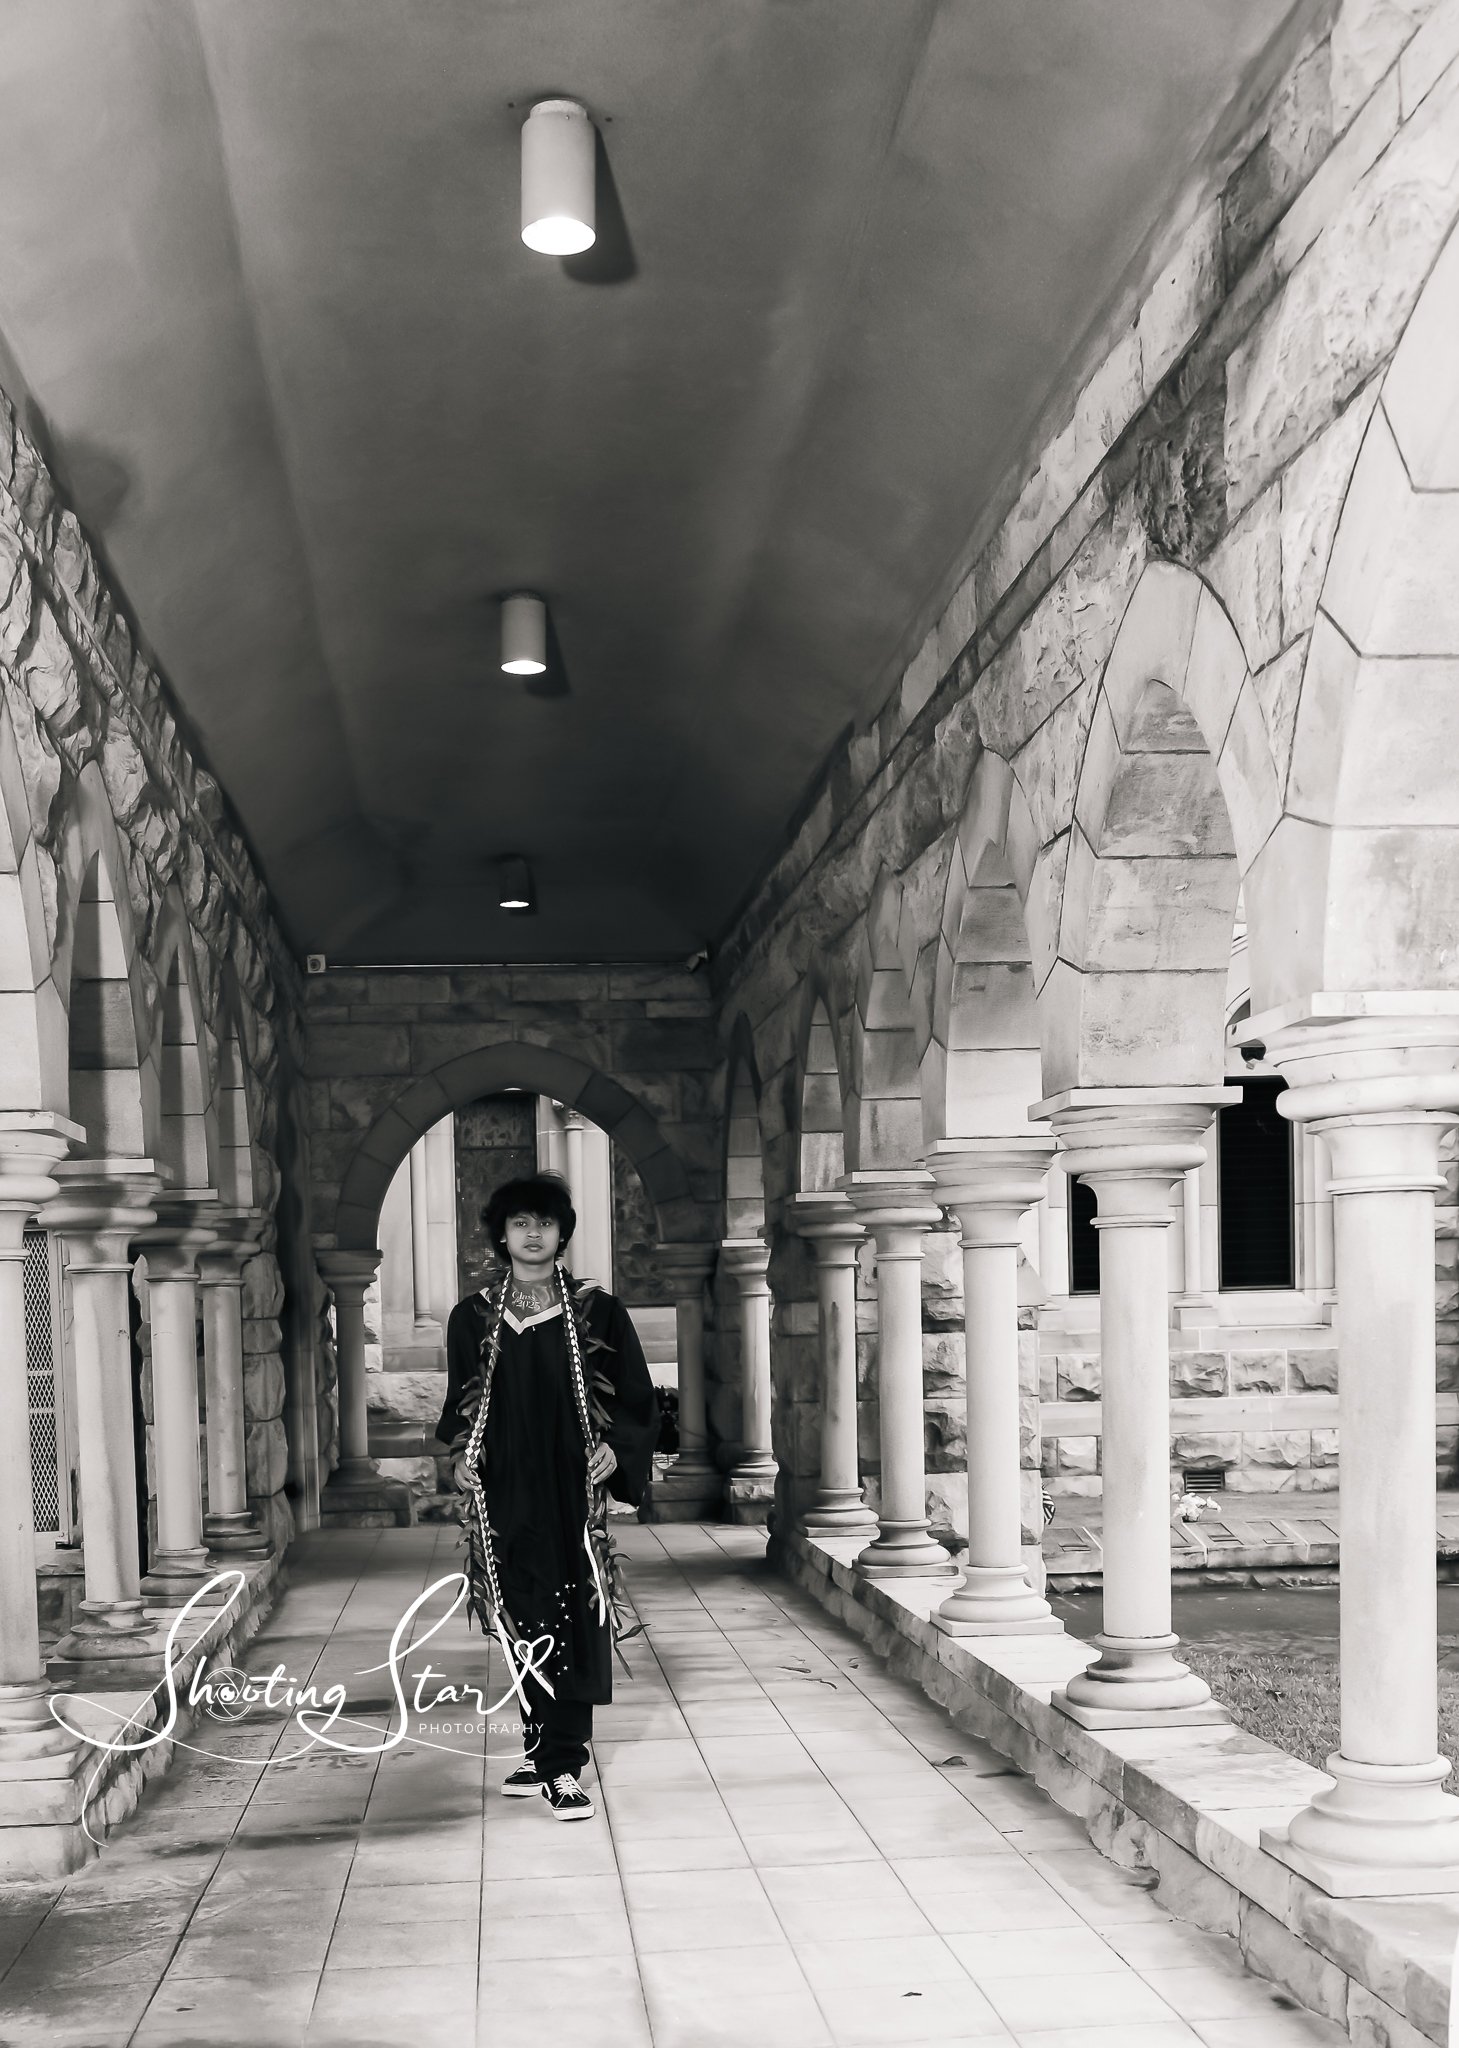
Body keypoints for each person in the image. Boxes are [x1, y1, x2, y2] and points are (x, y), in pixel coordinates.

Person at [436, 1173, 658, 1819]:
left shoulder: (597, 1311)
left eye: (545, 1223)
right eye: (520, 1223)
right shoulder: (473, 1315)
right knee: (521, 1611)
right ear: (501, 1235)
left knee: (574, 1612)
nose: (532, 1234)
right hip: (504, 1486)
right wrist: (459, 1459)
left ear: (562, 1234)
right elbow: (460, 1407)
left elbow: (635, 1398)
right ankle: (539, 1743)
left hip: (569, 1485)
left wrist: (617, 1449)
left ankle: (563, 1765)